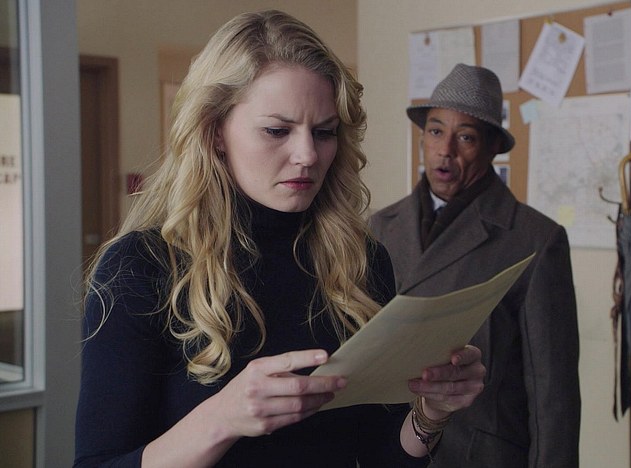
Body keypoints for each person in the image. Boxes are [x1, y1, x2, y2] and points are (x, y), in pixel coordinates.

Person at [74, 11, 485, 468]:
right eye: (277, 130)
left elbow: (379, 454)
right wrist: (222, 419)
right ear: (215, 132)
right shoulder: (139, 266)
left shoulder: (361, 261)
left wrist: (430, 413)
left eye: (324, 132)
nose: (307, 154)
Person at [370, 63, 580, 468]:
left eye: (465, 136)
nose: (445, 150)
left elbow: (553, 392)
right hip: (392, 450)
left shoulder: (535, 240)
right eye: (435, 131)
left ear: (492, 147)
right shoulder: (381, 227)